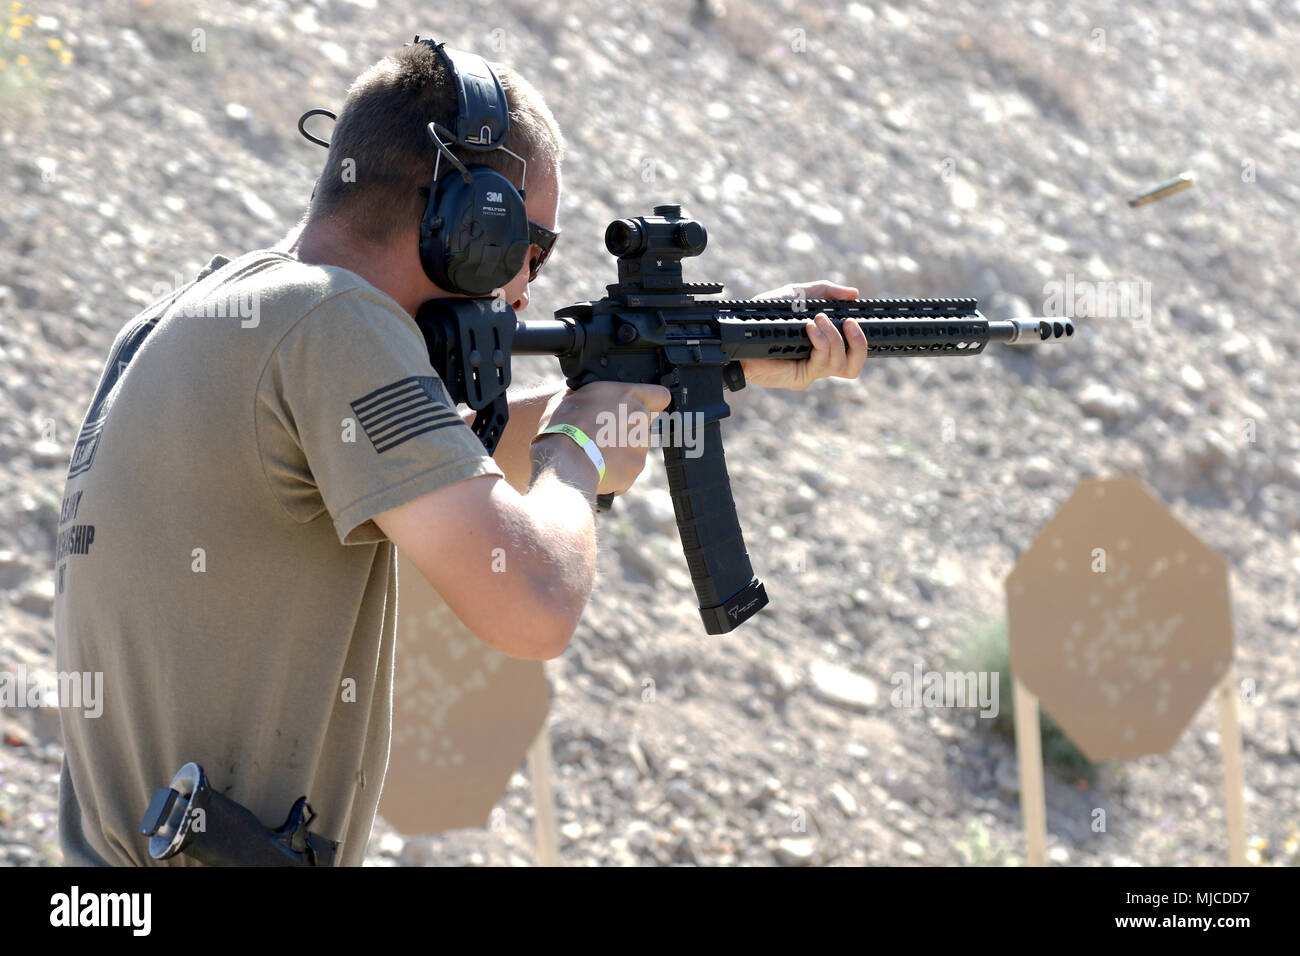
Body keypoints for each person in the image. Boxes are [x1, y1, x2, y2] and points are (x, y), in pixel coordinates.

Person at [53, 39, 868, 866]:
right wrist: (580, 436)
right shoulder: (336, 325)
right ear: (473, 218)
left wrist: (709, 359)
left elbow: (449, 453)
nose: (524, 293)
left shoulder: (206, 317)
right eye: (533, 248)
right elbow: (535, 601)